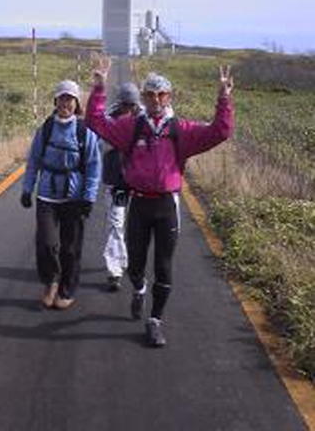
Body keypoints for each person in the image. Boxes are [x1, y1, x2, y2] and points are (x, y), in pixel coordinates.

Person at [86, 57, 234, 346]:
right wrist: (100, 87)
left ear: (169, 97)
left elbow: (220, 131)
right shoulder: (131, 127)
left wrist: (224, 99)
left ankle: (155, 320)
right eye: (151, 94)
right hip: (139, 204)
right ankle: (139, 289)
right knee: (136, 264)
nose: (156, 99)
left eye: (162, 94)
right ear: (143, 97)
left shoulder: (182, 130)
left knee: (164, 265)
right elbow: (95, 122)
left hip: (167, 206)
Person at [21, 80, 101, 310]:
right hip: (47, 194)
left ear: (76, 103)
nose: (65, 103)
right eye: (62, 98)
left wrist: (89, 197)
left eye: (70, 99)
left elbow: (93, 167)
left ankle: (67, 289)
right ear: (55, 101)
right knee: (46, 244)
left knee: (70, 248)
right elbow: (34, 160)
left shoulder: (84, 132)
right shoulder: (46, 129)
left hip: (74, 197)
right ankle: (51, 281)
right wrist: (27, 189)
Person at [101, 82, 143, 292]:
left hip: (142, 184)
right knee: (116, 224)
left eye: (132, 105)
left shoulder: (147, 121)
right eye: (126, 104)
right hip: (116, 181)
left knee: (138, 228)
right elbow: (99, 145)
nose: (129, 108)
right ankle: (115, 270)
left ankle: (132, 263)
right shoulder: (108, 121)